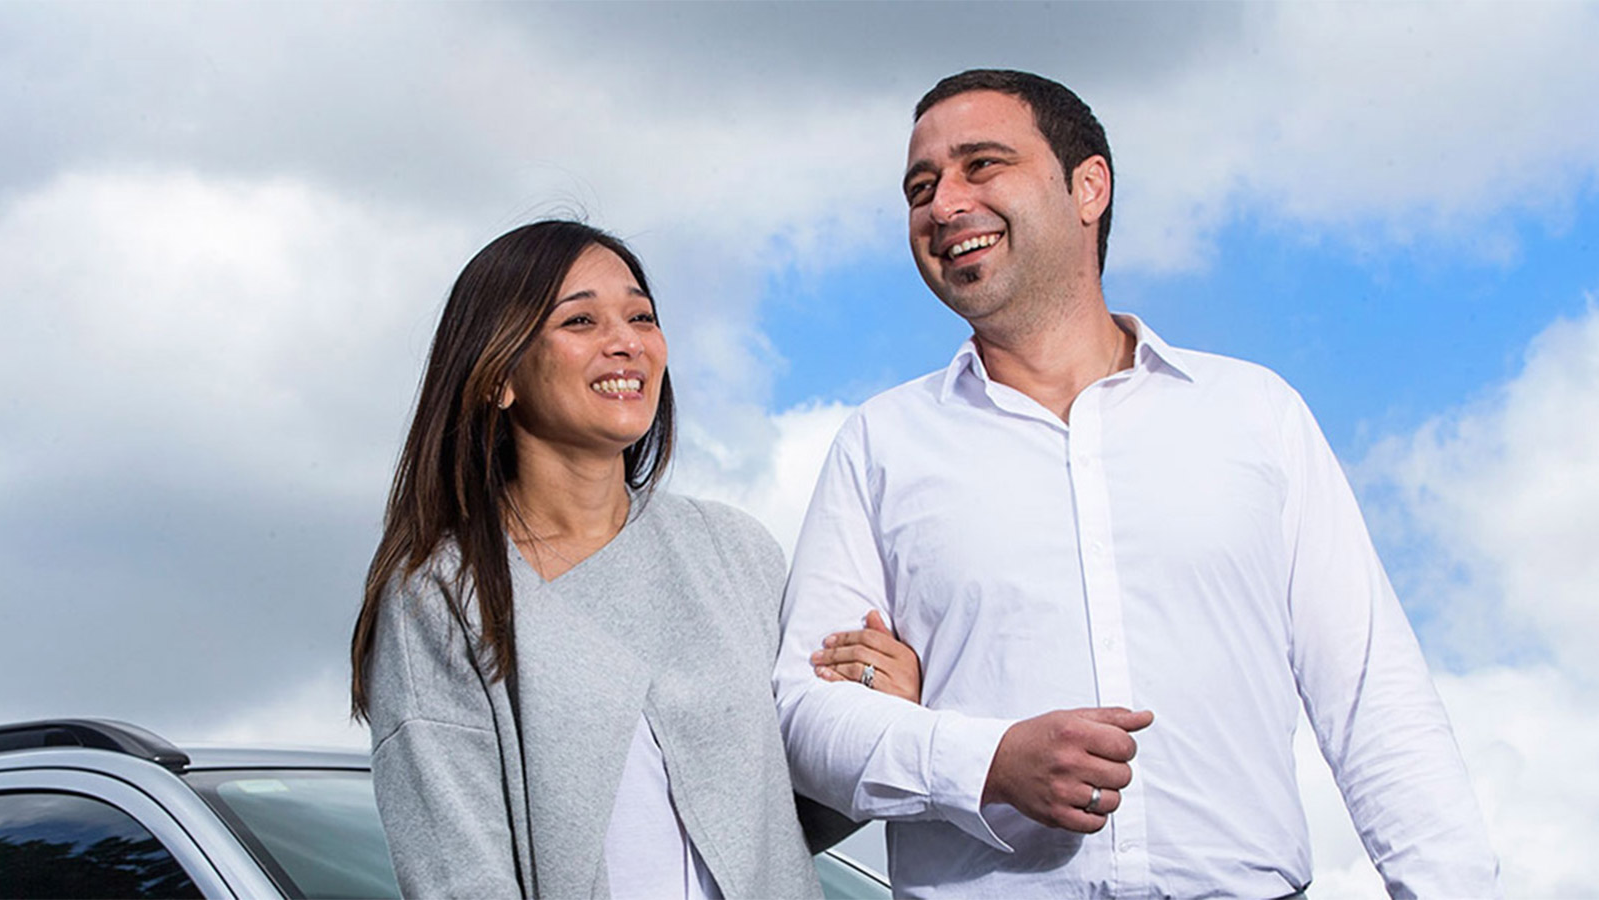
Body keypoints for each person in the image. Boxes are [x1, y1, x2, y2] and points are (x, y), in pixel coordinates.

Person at [775, 70, 1500, 898]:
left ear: (1090, 187)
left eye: (982, 165)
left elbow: (1375, 701)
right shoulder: (880, 445)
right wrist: (987, 763)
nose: (944, 204)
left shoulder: (1257, 415)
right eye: (921, 186)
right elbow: (804, 714)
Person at [348, 220, 916, 899]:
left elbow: (778, 821)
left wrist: (879, 714)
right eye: (580, 320)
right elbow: (459, 876)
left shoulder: (735, 554)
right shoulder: (442, 597)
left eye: (641, 317)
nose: (625, 342)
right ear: (498, 375)